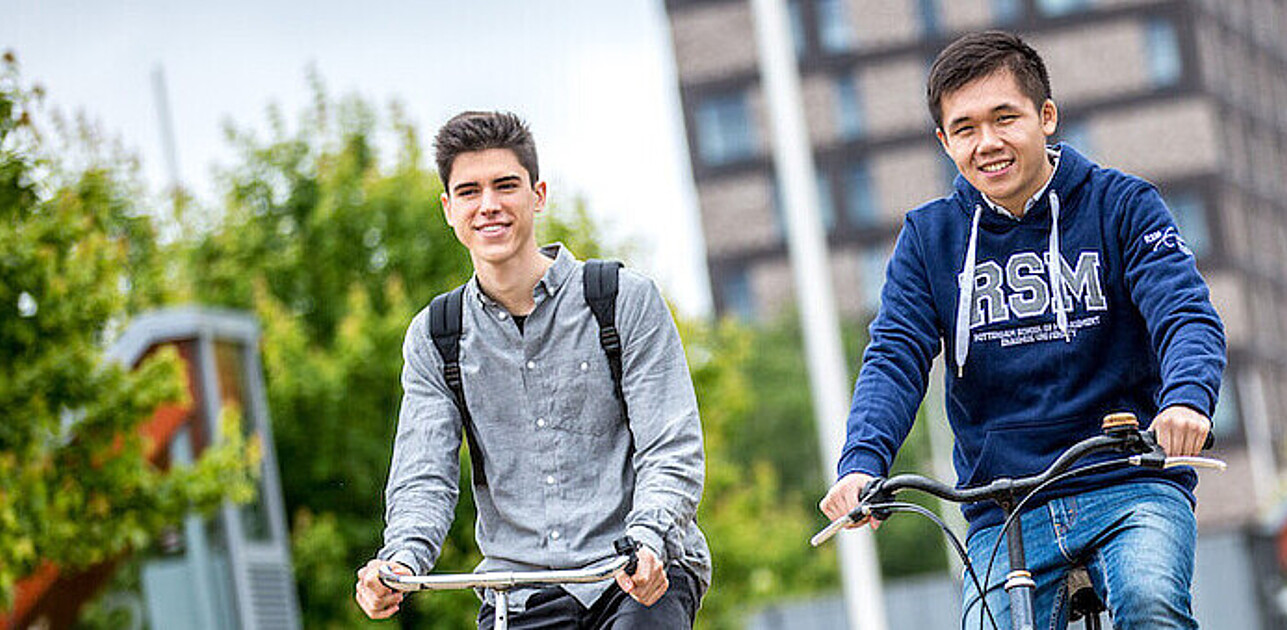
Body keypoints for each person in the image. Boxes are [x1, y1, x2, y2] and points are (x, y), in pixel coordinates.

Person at [819, 31, 1225, 629]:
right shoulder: (929, 239)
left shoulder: (1123, 204)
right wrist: (862, 461)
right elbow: (894, 356)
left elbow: (1184, 313)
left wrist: (1187, 400)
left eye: (1005, 118)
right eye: (965, 129)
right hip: (1003, 506)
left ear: (1047, 117)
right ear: (944, 141)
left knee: (1150, 601)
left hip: (1128, 482)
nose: (988, 143)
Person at [354, 111, 709, 628]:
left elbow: (671, 448)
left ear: (537, 195)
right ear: (448, 208)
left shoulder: (621, 300)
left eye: (505, 186)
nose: (489, 205)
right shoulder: (436, 336)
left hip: (637, 573)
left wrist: (650, 536)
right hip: (520, 594)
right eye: (470, 191)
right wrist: (401, 559)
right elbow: (423, 475)